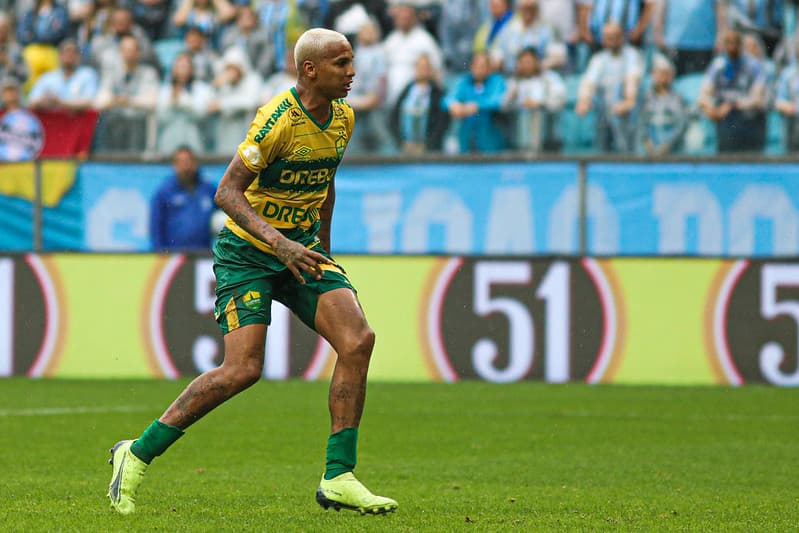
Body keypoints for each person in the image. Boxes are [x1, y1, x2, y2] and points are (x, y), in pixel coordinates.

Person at [107, 27, 398, 516]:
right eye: (341, 63)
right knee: (243, 370)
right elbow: (225, 192)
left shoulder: (343, 118)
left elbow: (325, 185)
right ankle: (134, 454)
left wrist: (321, 249)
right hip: (248, 254)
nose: (352, 72)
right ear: (310, 70)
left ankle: (339, 475)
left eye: (352, 62)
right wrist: (278, 242)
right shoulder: (277, 122)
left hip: (300, 250)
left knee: (358, 340)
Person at [576, 21, 643, 153]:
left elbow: (632, 80)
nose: (611, 40)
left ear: (622, 36)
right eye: (607, 37)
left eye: (614, 36)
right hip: (606, 113)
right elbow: (589, 82)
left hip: (628, 115)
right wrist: (584, 100)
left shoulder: (632, 55)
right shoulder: (599, 59)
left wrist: (628, 100)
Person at [698, 29, 767, 153]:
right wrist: (710, 109)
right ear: (724, 45)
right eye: (728, 43)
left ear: (741, 45)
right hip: (726, 122)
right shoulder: (718, 65)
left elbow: (757, 99)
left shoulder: (753, 66)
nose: (732, 46)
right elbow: (704, 94)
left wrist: (732, 105)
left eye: (735, 42)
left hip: (750, 121)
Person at [93, 35, 160, 153]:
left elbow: (152, 102)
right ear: (120, 52)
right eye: (125, 50)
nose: (129, 54)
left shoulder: (149, 73)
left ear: (139, 53)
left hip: (139, 126)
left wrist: (128, 101)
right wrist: (115, 100)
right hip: (114, 126)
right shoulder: (111, 73)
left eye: (132, 50)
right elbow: (99, 101)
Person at [149, 146, 218, 251]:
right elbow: (156, 226)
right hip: (173, 255)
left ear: (196, 164)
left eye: (189, 161)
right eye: (181, 162)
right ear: (175, 166)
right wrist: (160, 252)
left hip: (204, 254)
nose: (186, 166)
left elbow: (222, 217)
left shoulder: (208, 190)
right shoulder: (165, 192)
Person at [443, 51, 508, 153]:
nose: (479, 69)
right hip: (466, 140)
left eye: (483, 66)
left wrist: (476, 106)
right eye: (476, 65)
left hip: (491, 141)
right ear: (471, 67)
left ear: (489, 68)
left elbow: (498, 101)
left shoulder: (497, 81)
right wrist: (453, 105)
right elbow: (447, 99)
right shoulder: (464, 81)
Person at [503, 47, 566, 152]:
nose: (526, 65)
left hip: (546, 135)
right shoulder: (513, 82)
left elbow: (559, 100)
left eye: (529, 62)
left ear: (536, 62)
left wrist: (540, 104)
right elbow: (503, 106)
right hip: (518, 136)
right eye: (523, 62)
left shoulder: (550, 78)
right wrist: (511, 97)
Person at [390, 53, 450, 153]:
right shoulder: (407, 90)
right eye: (420, 67)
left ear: (431, 70)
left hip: (429, 149)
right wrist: (401, 143)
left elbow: (442, 123)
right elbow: (394, 118)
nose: (422, 70)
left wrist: (428, 145)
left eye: (426, 67)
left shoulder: (438, 93)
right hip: (406, 148)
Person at [27, 39, 99, 112]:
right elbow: (31, 102)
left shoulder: (87, 74)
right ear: (59, 56)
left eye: (73, 52)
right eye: (66, 52)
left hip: (79, 121)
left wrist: (60, 102)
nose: (69, 56)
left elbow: (90, 101)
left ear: (79, 56)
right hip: (52, 121)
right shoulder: (47, 77)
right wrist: (43, 100)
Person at [637, 54, 687, 156]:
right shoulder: (645, 97)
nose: (662, 77)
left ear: (671, 76)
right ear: (653, 74)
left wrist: (667, 145)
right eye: (659, 73)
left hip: (671, 148)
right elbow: (640, 123)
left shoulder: (677, 98)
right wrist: (648, 144)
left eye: (665, 74)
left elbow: (681, 126)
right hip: (648, 148)